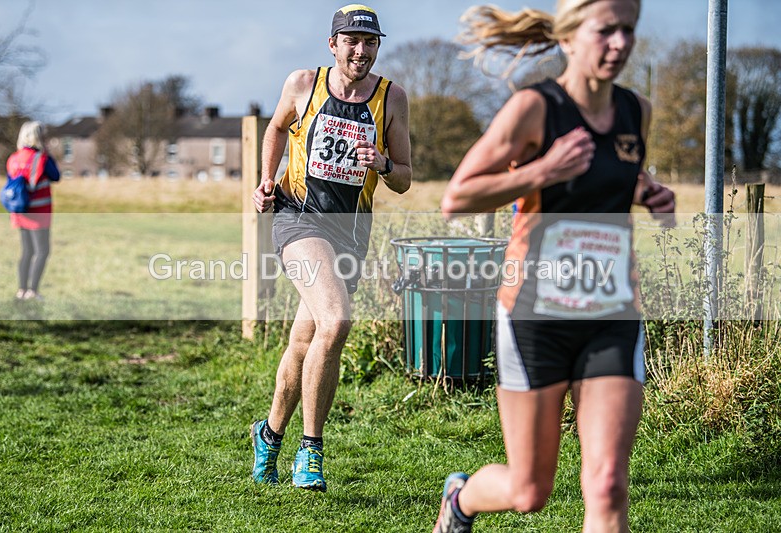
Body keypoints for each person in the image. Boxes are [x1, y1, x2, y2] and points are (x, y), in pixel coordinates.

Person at [433, 1, 675, 531]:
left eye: (628, 31)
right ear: (568, 38)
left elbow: (607, 178)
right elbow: (458, 197)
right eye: (605, 31)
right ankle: (460, 498)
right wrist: (543, 168)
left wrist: (648, 194)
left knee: (608, 483)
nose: (620, 44)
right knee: (529, 491)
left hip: (612, 312)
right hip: (534, 315)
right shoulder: (534, 108)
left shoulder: (637, 111)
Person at [251, 4, 411, 492]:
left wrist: (382, 162)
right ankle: (311, 452)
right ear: (333, 44)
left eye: (370, 43)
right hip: (298, 217)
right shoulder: (303, 84)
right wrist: (266, 180)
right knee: (337, 320)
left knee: (307, 339)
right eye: (351, 42)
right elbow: (277, 127)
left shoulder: (392, 98)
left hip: (351, 233)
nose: (360, 51)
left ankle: (268, 435)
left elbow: (404, 179)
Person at [8, 121, 61, 301]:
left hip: (20, 211)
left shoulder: (14, 158)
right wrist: (47, 152)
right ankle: (33, 291)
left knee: (27, 251)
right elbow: (56, 176)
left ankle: (21, 290)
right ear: (38, 137)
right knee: (43, 251)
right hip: (39, 213)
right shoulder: (41, 158)